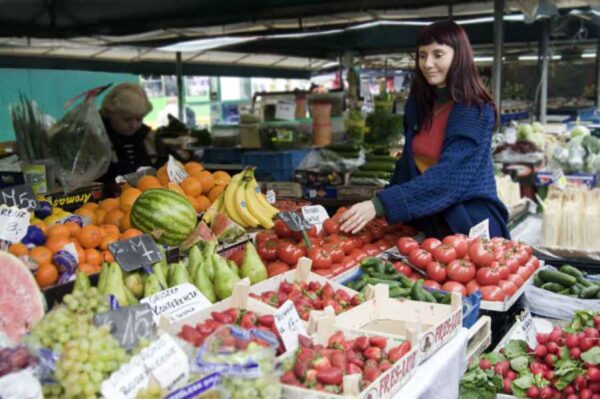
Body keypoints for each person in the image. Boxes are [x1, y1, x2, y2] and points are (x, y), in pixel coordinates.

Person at [340, 20, 509, 239]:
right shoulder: (419, 104)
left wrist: (380, 204)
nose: (428, 63)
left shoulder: (474, 110)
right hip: (428, 220)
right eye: (422, 55)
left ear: (459, 56)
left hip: (467, 224)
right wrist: (384, 211)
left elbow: (449, 178)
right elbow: (407, 165)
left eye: (438, 55)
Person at [99, 82, 155, 194]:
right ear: (110, 114)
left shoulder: (148, 137)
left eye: (139, 119)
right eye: (127, 119)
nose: (134, 125)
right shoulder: (98, 138)